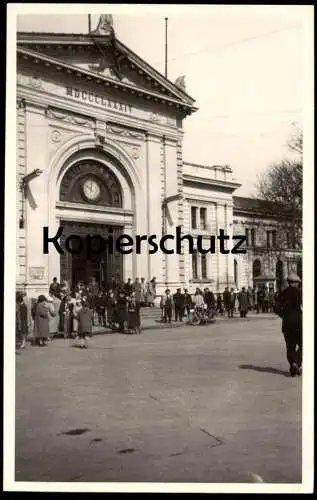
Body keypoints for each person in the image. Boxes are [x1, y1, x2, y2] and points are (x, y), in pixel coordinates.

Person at [277, 273, 302, 377]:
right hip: (299, 323)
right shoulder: (300, 293)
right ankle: (297, 362)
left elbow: (277, 309)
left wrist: (284, 315)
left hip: (287, 323)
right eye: (297, 282)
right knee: (303, 345)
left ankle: (293, 363)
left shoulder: (282, 293)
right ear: (295, 282)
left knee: (290, 346)